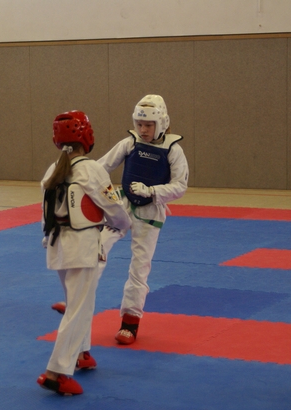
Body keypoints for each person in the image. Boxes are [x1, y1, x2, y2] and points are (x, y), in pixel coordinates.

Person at [52, 95, 189, 345]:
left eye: (148, 125)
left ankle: (130, 322)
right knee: (97, 248)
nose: (143, 130)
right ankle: (76, 299)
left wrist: (152, 191)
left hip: (150, 212)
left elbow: (180, 186)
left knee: (139, 267)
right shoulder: (129, 143)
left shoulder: (173, 150)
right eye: (139, 124)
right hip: (121, 205)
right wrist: (75, 176)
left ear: (162, 123)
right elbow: (100, 167)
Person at [37, 111, 131, 396]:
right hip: (82, 246)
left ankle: (82, 353)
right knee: (78, 310)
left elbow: (45, 214)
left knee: (77, 303)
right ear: (87, 137)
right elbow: (113, 207)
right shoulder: (91, 169)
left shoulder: (54, 169)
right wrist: (123, 225)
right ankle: (56, 372)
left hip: (57, 246)